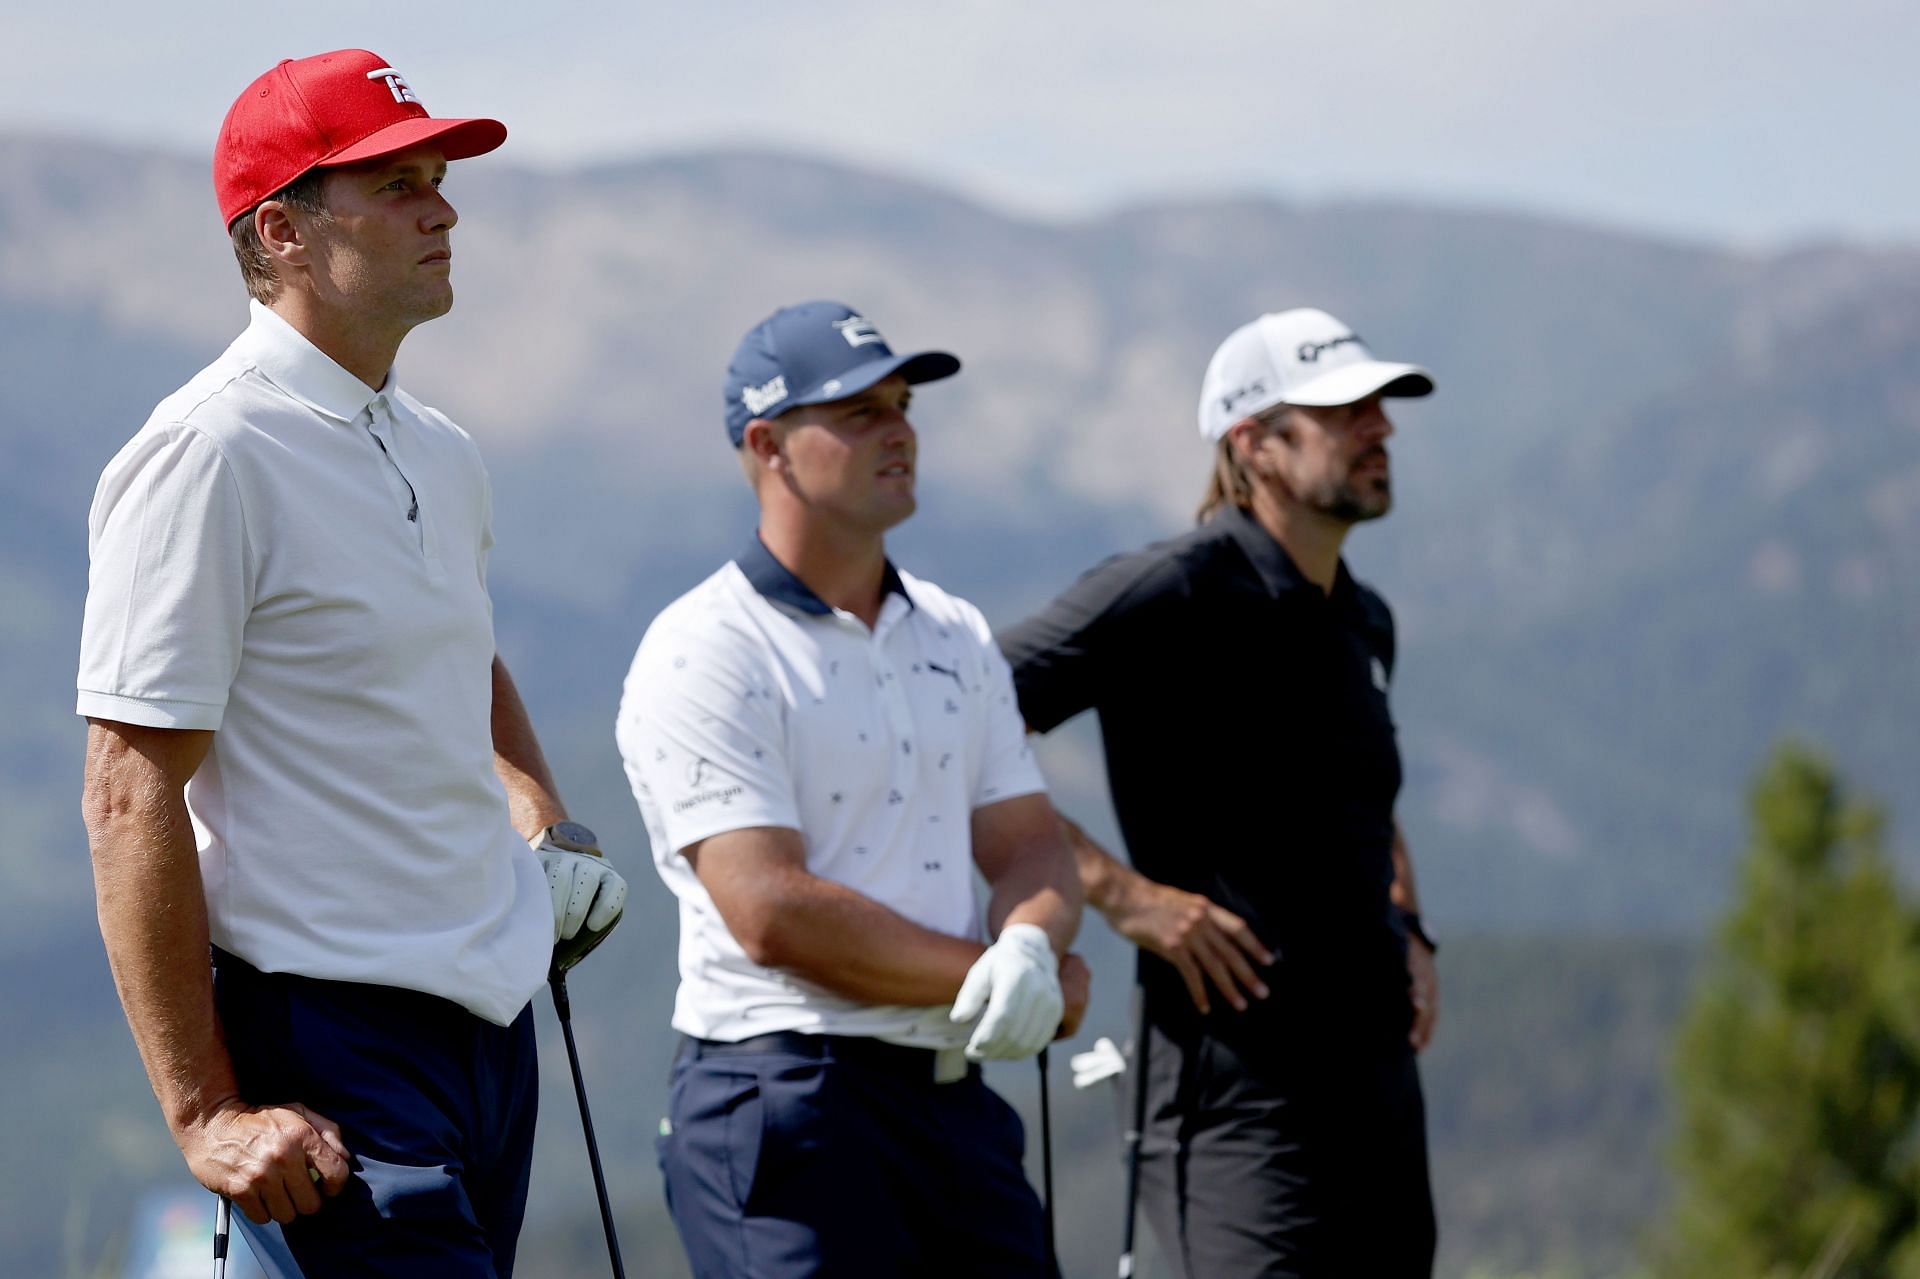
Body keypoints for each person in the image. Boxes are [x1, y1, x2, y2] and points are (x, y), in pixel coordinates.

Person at [76, 49, 627, 1278]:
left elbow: (458, 654)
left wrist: (546, 821)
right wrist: (207, 1112)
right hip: (330, 1048)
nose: (442, 208)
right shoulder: (204, 454)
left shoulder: (440, 448)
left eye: (436, 177)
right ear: (281, 231)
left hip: (491, 1039)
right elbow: (127, 791)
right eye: (395, 184)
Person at [616, 300, 1088, 1278]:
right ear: (767, 444)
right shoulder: (705, 646)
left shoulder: (954, 631)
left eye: (902, 404)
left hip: (952, 1100)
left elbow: (1029, 845)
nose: (900, 430)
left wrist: (1034, 946)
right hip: (784, 1096)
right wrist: (996, 977)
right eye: (858, 410)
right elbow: (770, 910)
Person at [999, 307, 1442, 1277]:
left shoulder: (1365, 617)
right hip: (1230, 1090)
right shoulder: (1170, 591)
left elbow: (1371, 791)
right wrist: (1126, 897)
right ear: (1254, 444)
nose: (1382, 428)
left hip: (1375, 1082)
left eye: (1381, 405)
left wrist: (1410, 923)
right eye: (1344, 411)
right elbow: (952, 722)